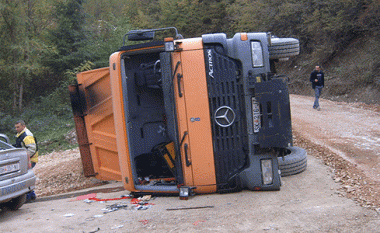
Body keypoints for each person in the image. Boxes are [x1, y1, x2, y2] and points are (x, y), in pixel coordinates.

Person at [14, 120, 38, 201]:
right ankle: (31, 195)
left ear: (23, 126)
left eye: (18, 127)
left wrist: (25, 159)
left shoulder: (27, 136)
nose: (16, 129)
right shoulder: (20, 135)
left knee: (25, 177)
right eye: (16, 127)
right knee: (25, 177)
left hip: (29, 160)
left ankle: (29, 196)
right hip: (27, 159)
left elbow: (32, 149)